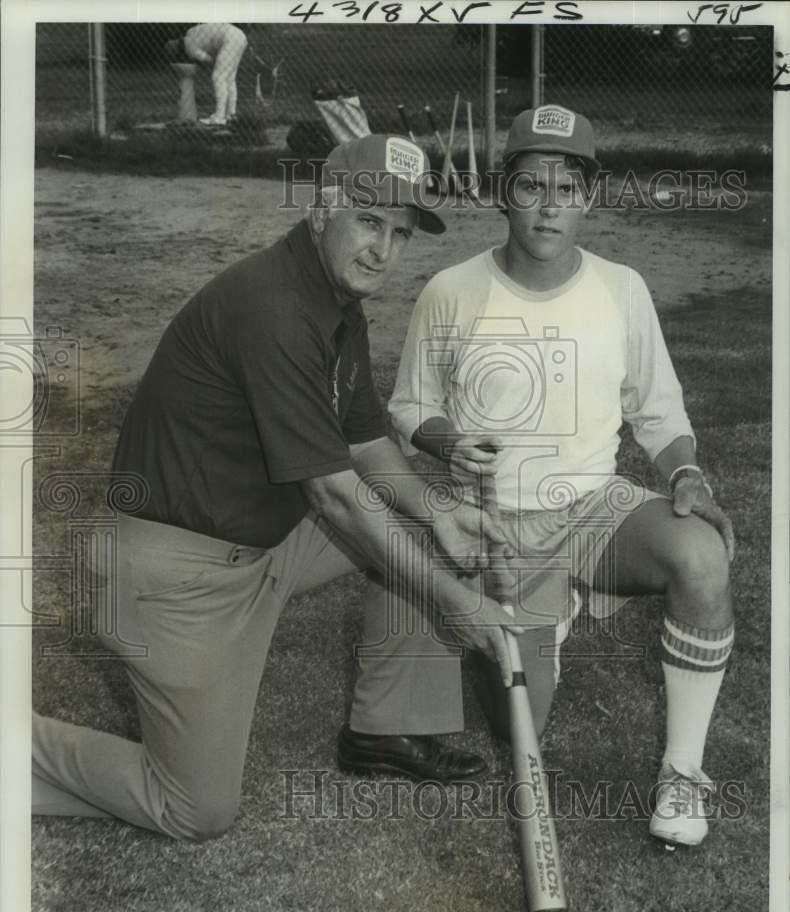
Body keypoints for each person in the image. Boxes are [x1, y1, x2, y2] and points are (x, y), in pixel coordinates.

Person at [31, 135, 524, 842]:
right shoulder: (274, 305)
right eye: (369, 221)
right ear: (323, 209)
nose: (383, 249)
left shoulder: (337, 303)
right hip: (173, 580)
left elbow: (365, 445)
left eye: (400, 233)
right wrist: (457, 601)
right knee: (195, 809)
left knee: (413, 522)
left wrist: (440, 509)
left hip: (261, 547)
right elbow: (335, 496)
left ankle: (385, 732)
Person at [369, 105, 735, 848]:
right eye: (531, 185)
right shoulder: (453, 290)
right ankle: (549, 608)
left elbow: (658, 413)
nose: (549, 204)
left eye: (567, 187)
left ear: (589, 197)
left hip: (595, 505)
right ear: (504, 192)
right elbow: (410, 406)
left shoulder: (621, 289)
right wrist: (446, 439)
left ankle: (682, 772)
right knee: (518, 724)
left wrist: (686, 474)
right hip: (501, 523)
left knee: (701, 554)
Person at [165, 23, 248, 126]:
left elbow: (207, 59)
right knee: (230, 78)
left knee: (218, 77)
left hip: (229, 40)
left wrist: (215, 62)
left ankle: (219, 117)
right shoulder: (191, 32)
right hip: (240, 35)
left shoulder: (189, 47)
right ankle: (231, 114)